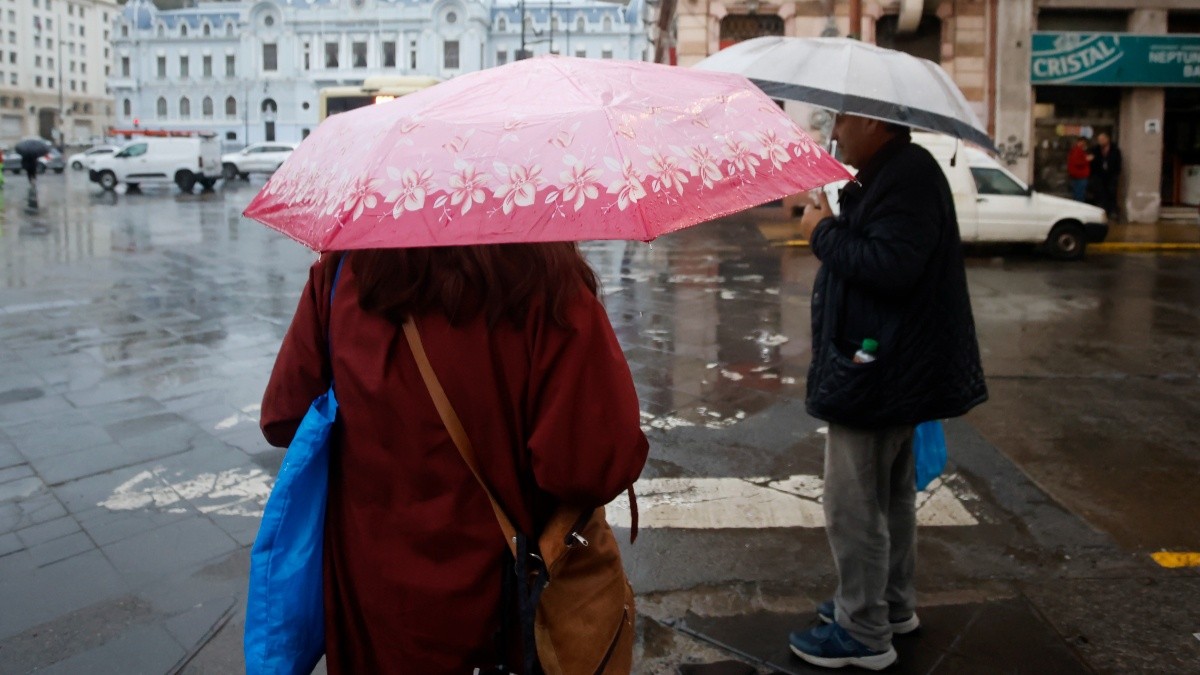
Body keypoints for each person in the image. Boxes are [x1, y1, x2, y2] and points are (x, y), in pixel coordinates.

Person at [260, 244, 648, 673]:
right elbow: (587, 468)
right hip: (496, 610)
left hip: (373, 607)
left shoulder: (345, 271)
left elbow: (283, 417)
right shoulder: (548, 279)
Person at [791, 115, 987, 670]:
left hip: (877, 371)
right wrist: (835, 212)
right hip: (888, 366)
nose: (835, 127)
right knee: (890, 498)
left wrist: (821, 232)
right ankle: (890, 606)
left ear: (874, 122)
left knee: (852, 504)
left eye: (843, 118)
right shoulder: (892, 172)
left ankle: (863, 630)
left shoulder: (907, 176)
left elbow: (891, 265)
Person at [1088, 132, 1122, 220]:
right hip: (1099, 176)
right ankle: (1102, 213)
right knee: (1100, 195)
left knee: (1111, 194)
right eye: (1099, 140)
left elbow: (1118, 164)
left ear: (1107, 139)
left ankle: (1112, 212)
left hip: (1111, 177)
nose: (1101, 142)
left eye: (1102, 140)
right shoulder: (1095, 150)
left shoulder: (1115, 150)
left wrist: (1115, 175)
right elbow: (1092, 162)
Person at [1066, 137, 1090, 202]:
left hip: (1077, 176)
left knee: (1077, 195)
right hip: (1080, 176)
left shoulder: (1075, 150)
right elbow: (1077, 162)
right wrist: (1087, 159)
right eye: (1083, 142)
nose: (1084, 144)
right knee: (1079, 196)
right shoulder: (1078, 150)